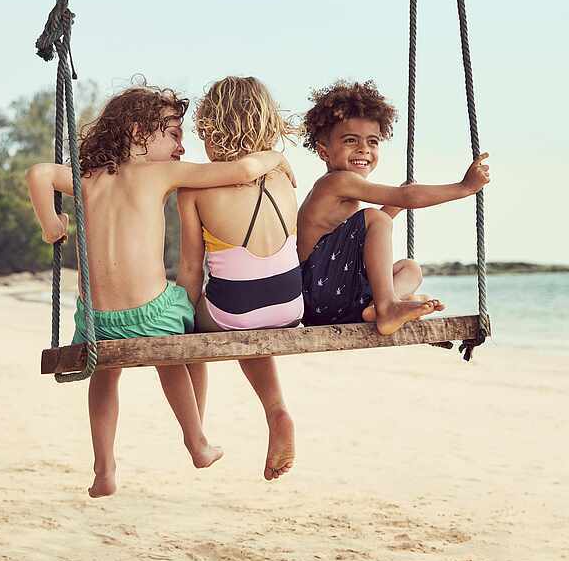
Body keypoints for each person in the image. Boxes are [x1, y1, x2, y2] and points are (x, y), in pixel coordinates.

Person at [27, 82, 294, 497]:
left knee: (104, 376)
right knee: (181, 345)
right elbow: (241, 171)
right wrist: (276, 156)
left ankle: (104, 468)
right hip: (152, 313)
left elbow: (39, 173)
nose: (182, 147)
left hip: (95, 321)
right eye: (173, 133)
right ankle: (196, 439)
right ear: (138, 133)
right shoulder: (161, 173)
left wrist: (51, 225)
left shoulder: (86, 178)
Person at [177, 77, 300, 480]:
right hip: (290, 305)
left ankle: (196, 433)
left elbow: (192, 270)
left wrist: (181, 318)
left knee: (193, 332)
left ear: (211, 128)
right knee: (255, 316)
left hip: (234, 310)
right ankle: (277, 410)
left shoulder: (194, 188)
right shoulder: (283, 178)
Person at [297, 79, 490, 334]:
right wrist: (465, 187)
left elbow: (370, 237)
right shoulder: (336, 182)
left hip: (335, 297)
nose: (364, 149)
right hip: (319, 296)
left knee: (410, 268)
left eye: (373, 142)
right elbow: (403, 199)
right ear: (324, 151)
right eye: (351, 140)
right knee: (375, 218)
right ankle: (388, 308)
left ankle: (380, 307)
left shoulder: (345, 193)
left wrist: (393, 206)